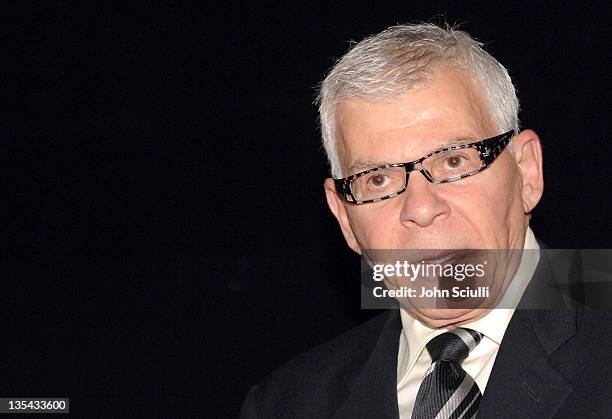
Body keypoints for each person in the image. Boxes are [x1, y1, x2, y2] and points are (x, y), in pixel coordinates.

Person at [240, 23, 612, 418]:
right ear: (344, 217)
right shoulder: (287, 405)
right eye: (378, 179)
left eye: (453, 160)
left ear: (526, 172)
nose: (419, 208)